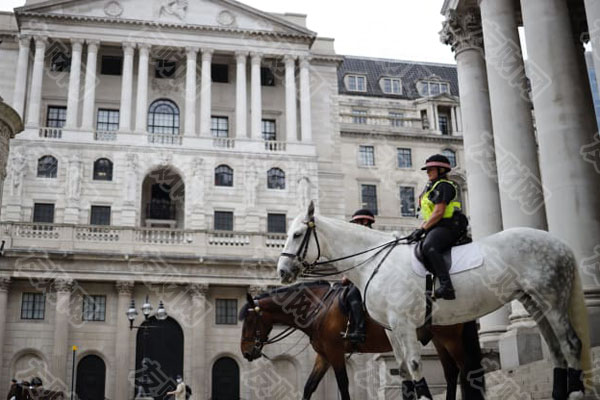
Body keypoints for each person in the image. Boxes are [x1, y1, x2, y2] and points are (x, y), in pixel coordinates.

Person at [406, 154, 468, 300]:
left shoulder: (444, 186)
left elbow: (439, 211)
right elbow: (429, 214)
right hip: (436, 226)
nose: (427, 172)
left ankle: (447, 286)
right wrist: (419, 230)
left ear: (441, 170)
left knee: (430, 247)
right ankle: (430, 285)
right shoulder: (432, 187)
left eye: (430, 169)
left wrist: (423, 229)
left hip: (449, 226)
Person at [342, 208, 375, 343]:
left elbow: (364, 260)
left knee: (352, 295)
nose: (354, 226)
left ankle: (360, 330)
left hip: (371, 275)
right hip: (361, 275)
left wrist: (349, 276)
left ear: (365, 221)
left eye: (357, 222)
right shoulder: (361, 238)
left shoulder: (370, 237)